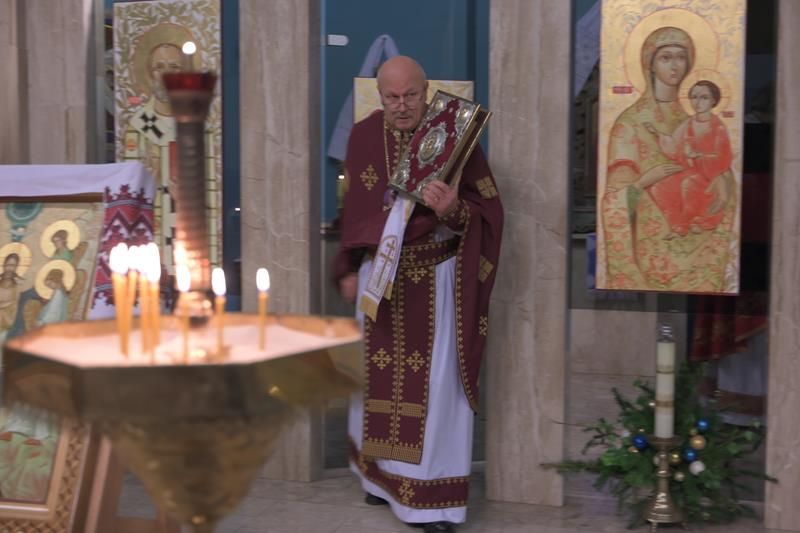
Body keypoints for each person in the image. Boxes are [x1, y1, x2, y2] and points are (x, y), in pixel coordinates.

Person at [333, 56, 503, 533]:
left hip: (437, 280)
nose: (402, 105)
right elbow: (353, 211)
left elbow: (489, 208)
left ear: (426, 92)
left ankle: (433, 503)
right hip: (380, 280)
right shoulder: (364, 137)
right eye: (392, 97)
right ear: (380, 96)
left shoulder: (457, 136)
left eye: (411, 95)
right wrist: (348, 266)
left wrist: (454, 210)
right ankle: (378, 479)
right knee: (374, 383)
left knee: (435, 390)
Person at [600, 26, 736, 292]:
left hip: (698, 231)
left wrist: (723, 178)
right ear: (649, 64)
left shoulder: (696, 120)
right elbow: (614, 197)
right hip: (651, 239)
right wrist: (645, 181)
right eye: (665, 57)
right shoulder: (629, 123)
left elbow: (719, 159)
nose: (674, 65)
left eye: (680, 57)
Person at [645, 80, 733, 237]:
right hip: (688, 170)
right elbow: (674, 147)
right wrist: (657, 134)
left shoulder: (718, 127)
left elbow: (723, 158)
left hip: (710, 176)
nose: (698, 102)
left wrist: (699, 156)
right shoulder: (688, 124)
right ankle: (678, 225)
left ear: (713, 100)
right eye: (694, 97)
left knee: (688, 184)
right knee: (659, 187)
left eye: (704, 97)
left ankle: (698, 221)